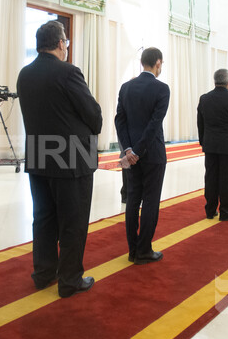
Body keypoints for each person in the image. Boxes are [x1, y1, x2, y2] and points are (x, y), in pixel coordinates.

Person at [17, 21, 103, 297]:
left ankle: (43, 273)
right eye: (65, 41)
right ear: (60, 43)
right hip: (70, 158)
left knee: (43, 218)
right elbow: (92, 114)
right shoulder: (68, 72)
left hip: (40, 155)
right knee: (73, 221)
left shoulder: (25, 74)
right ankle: (70, 279)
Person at [114, 47, 169, 264]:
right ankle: (144, 250)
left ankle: (132, 250)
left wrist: (128, 149)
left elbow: (120, 120)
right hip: (153, 153)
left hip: (131, 155)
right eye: (161, 64)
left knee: (133, 199)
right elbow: (155, 124)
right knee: (150, 201)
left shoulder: (126, 87)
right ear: (157, 62)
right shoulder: (162, 89)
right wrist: (138, 150)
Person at [197, 69, 228, 221]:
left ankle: (210, 210)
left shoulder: (204, 99)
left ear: (215, 82)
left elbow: (200, 124)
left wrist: (203, 142)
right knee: (226, 180)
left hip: (210, 146)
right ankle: (225, 212)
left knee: (211, 178)